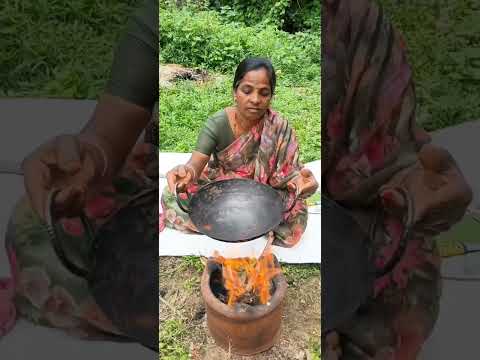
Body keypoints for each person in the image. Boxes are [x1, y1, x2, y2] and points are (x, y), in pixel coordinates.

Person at [1, 0, 159, 344]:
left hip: (247, 188)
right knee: (36, 227)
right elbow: (107, 134)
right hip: (164, 188)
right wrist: (91, 158)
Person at [322, 0, 472, 359]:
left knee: (404, 278)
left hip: (319, 227)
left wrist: (413, 186)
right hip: (194, 229)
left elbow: (373, 161)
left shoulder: (350, 18)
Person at [160, 57, 319, 247]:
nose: (255, 99)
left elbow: (289, 173)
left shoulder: (279, 127)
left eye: (264, 93)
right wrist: (188, 173)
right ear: (235, 91)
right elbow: (195, 165)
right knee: (172, 195)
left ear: (271, 96)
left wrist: (301, 183)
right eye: (247, 90)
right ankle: (248, 227)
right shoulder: (217, 123)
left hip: (267, 191)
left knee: (295, 221)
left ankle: (225, 226)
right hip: (224, 187)